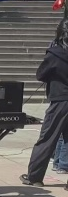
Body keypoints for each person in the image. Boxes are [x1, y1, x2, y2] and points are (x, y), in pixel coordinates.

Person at [20, 19, 68, 188]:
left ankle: (34, 176)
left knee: (47, 138)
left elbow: (40, 74)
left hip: (60, 100)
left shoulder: (55, 54)